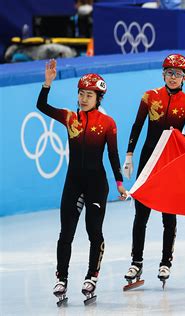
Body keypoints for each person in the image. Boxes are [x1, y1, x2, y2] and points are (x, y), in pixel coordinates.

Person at [37, 59, 126, 304]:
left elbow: (113, 155)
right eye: (81, 94)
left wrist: (119, 183)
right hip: (73, 183)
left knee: (93, 232)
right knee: (66, 232)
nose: (84, 98)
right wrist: (48, 83)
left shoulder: (108, 124)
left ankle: (91, 276)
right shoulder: (68, 117)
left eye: (89, 95)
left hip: (97, 185)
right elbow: (41, 105)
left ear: (99, 98)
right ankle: (61, 279)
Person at [122, 53, 185, 286]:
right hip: (147, 161)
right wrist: (129, 154)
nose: (173, 77)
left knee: (168, 214)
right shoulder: (150, 96)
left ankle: (166, 261)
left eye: (178, 74)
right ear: (163, 74)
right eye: (169, 73)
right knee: (141, 214)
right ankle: (136, 262)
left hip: (170, 164)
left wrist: (179, 137)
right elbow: (137, 125)